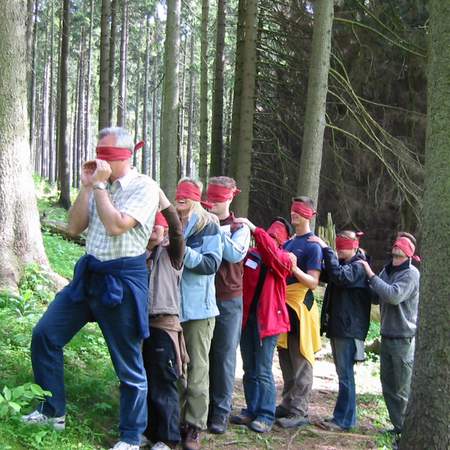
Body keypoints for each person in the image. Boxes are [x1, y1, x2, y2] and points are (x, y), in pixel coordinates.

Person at [22, 127, 159, 450]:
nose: (100, 159)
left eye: (107, 154)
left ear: (125, 156)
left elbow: (116, 226)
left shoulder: (144, 187)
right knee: (45, 335)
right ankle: (52, 410)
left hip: (123, 279)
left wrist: (98, 185)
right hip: (89, 276)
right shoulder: (98, 186)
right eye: (98, 152)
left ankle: (129, 436)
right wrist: (87, 187)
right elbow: (74, 226)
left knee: (128, 364)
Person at [230, 217, 295, 433]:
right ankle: (251, 409)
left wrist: (256, 230)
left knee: (263, 368)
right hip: (247, 319)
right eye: (270, 233)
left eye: (276, 235)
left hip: (269, 322)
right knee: (249, 367)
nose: (272, 237)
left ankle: (266, 414)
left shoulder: (284, 259)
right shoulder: (253, 256)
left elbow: (274, 257)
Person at [175, 178, 223, 450]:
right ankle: (175, 421)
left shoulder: (209, 225)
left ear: (195, 197)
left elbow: (211, 264)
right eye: (178, 195)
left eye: (186, 196)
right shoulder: (172, 221)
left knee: (197, 370)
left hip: (199, 311)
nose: (180, 199)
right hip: (170, 309)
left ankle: (194, 426)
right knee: (175, 369)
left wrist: (184, 251)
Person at [309, 231, 372, 431]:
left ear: (354, 246)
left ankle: (345, 420)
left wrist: (326, 249)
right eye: (337, 247)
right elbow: (330, 274)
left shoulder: (359, 267)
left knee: (346, 376)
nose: (338, 250)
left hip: (349, 330)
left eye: (341, 247)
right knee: (343, 375)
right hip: (341, 328)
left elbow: (339, 276)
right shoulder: (346, 265)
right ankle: (341, 417)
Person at [359, 232, 420, 437]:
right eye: (393, 255)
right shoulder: (388, 269)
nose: (395, 259)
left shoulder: (411, 274)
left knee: (402, 390)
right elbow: (377, 296)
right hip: (387, 335)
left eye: (399, 256)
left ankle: (405, 433)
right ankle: (397, 427)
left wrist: (370, 274)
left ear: (409, 256)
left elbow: (393, 296)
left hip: (403, 339)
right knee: (388, 386)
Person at [142, 189, 186, 450]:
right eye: (150, 228)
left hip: (164, 325)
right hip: (140, 326)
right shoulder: (138, 255)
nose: (152, 233)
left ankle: (168, 438)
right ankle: (148, 432)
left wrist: (164, 205)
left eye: (157, 228)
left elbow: (178, 231)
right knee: (145, 380)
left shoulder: (172, 255)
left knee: (164, 381)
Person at [206, 176, 251, 434]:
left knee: (223, 356)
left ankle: (221, 413)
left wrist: (215, 229)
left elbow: (235, 254)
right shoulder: (200, 220)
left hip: (228, 299)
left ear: (230, 197)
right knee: (202, 356)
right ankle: (202, 409)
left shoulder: (239, 227)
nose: (212, 203)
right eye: (210, 198)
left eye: (218, 199)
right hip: (201, 297)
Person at [276, 196, 323, 428]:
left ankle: (300, 411)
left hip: (301, 306)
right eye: (293, 210)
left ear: (309, 214)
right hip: (284, 304)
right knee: (285, 356)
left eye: (299, 211)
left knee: (301, 358)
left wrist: (294, 267)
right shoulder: (289, 242)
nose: (294, 213)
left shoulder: (313, 245)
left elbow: (313, 282)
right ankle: (287, 403)